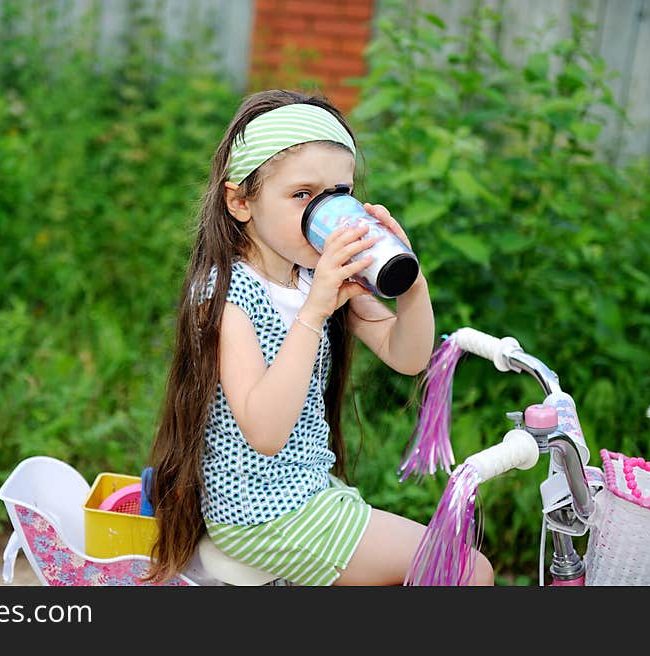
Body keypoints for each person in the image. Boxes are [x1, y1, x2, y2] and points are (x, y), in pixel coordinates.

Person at [145, 89, 494, 586]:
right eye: (301, 195)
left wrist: (411, 286)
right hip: (259, 512)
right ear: (240, 201)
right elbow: (264, 433)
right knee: (467, 570)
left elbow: (409, 356)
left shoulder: (311, 278)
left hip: (307, 492)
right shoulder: (227, 297)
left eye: (338, 193)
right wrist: (315, 312)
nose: (322, 210)